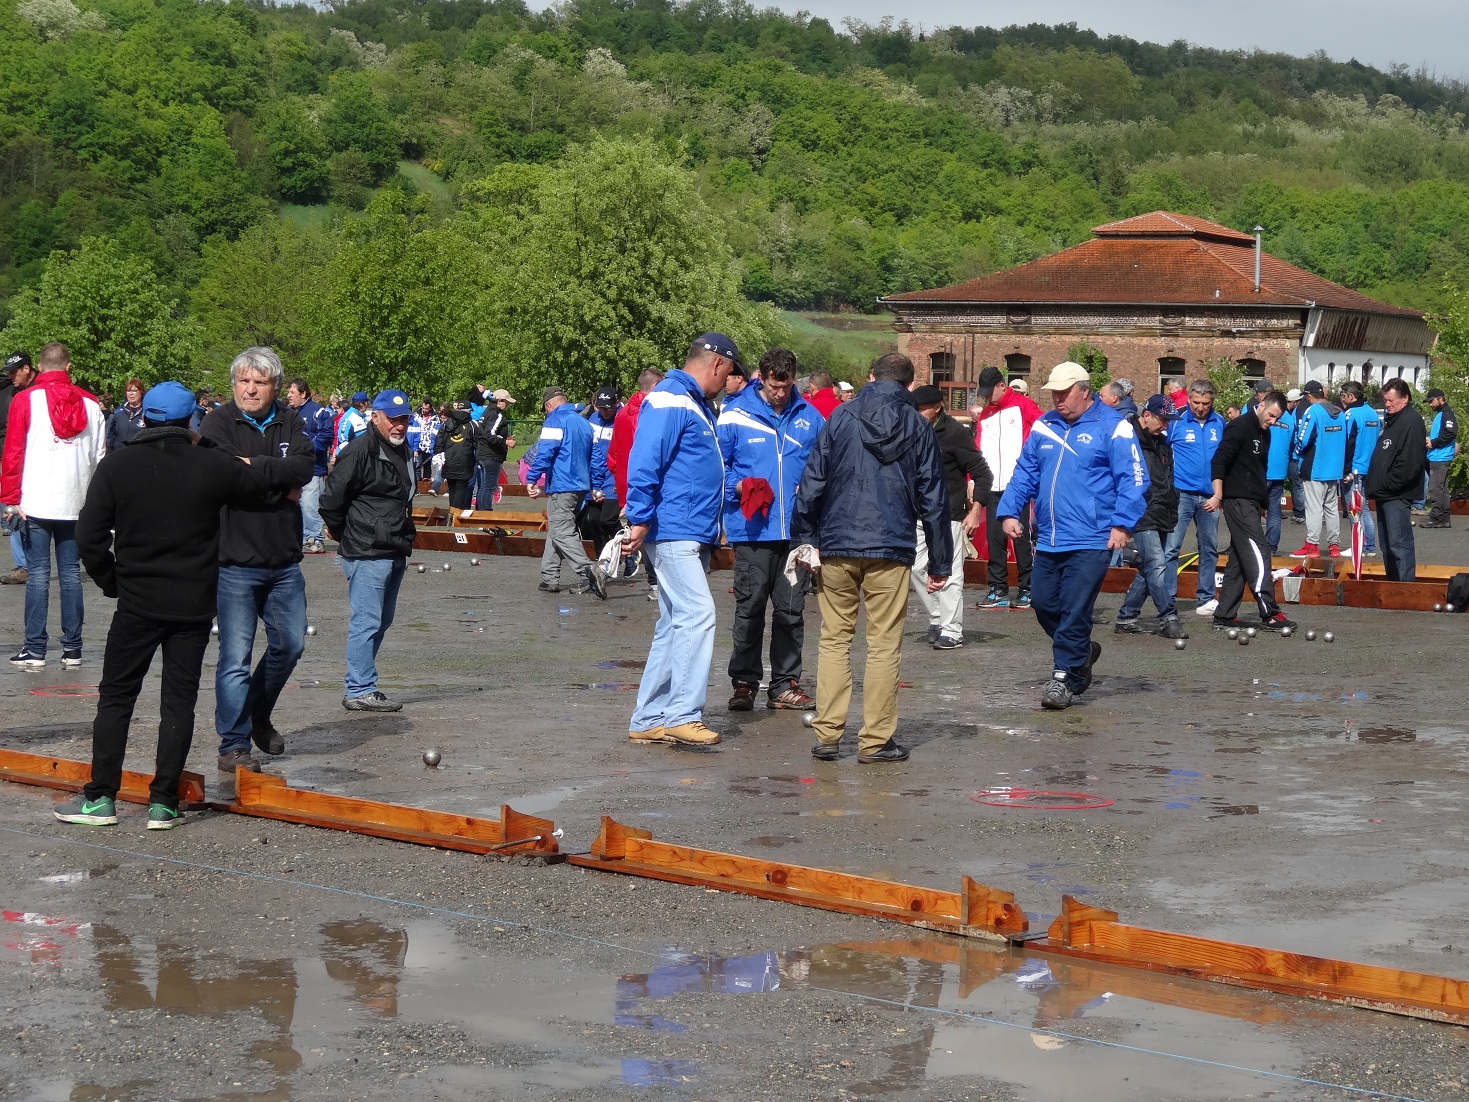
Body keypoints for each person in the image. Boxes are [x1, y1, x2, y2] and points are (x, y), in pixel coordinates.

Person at [57, 382, 269, 829]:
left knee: (116, 698)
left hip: (136, 601)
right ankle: (163, 803)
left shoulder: (117, 466)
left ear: (145, 418)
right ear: (189, 419)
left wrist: (110, 580)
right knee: (178, 702)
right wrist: (207, 443)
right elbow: (256, 485)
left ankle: (100, 799)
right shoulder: (211, 465)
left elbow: (89, 536)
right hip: (193, 605)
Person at [791, 353, 947, 762]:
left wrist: (804, 540)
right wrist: (941, 562)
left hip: (838, 541)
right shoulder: (918, 424)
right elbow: (934, 496)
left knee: (834, 639)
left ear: (870, 376)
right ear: (910, 385)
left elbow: (812, 481)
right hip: (891, 545)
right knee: (882, 646)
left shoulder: (840, 417)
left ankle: (827, 735)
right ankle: (876, 740)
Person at [996, 362, 1147, 711]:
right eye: (1054, 393)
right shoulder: (1044, 425)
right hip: (1049, 536)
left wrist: (1123, 524)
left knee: (1076, 609)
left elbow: (1134, 478)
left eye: (1064, 393)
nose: (1058, 399)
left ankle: (1065, 678)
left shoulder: (1113, 426)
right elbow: (1025, 473)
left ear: (1084, 389)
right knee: (1044, 604)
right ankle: (1081, 652)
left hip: (1093, 536)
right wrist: (1008, 511)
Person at [199, 347, 315, 773]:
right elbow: (223, 474)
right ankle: (233, 745)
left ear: (275, 387)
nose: (250, 389)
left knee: (291, 644)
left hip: (284, 559)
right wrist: (276, 479)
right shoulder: (217, 422)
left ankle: (255, 714)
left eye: (260, 382)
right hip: (235, 561)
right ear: (235, 384)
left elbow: (304, 468)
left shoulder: (292, 419)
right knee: (235, 657)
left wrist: (257, 470)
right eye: (244, 381)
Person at [624, 334, 744, 748]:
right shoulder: (673, 398)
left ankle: (648, 718)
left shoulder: (689, 401)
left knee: (675, 624)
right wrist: (639, 516)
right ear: (716, 365)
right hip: (675, 526)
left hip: (687, 526)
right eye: (729, 373)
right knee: (697, 614)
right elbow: (645, 457)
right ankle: (682, 715)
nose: (729, 381)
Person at [719, 348, 824, 710]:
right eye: (774, 385)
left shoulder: (811, 418)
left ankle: (784, 684)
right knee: (749, 608)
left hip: (796, 533)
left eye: (787, 385)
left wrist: (811, 488)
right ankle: (744, 682)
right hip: (752, 529)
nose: (780, 393)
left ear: (795, 379)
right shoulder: (733, 415)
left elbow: (824, 468)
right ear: (760, 378)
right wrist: (739, 486)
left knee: (791, 611)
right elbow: (717, 469)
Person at [1, 343, 106, 669]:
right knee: (71, 575)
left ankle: (34, 650)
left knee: (38, 576)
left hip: (36, 502)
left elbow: (13, 452)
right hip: (76, 502)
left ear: (41, 368)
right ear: (68, 366)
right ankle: (72, 650)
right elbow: (101, 459)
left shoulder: (25, 400)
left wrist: (8, 499)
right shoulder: (91, 404)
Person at [320, 389, 418, 712]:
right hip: (365, 549)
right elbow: (331, 499)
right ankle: (359, 687)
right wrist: (342, 531)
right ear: (375, 416)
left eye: (404, 419)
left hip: (394, 546)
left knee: (382, 619)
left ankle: (362, 682)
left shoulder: (404, 450)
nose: (399, 425)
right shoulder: (359, 451)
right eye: (393, 419)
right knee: (367, 620)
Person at [909, 385, 991, 649]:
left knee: (952, 573)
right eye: (915, 408)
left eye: (922, 409)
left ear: (938, 407)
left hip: (950, 512)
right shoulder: (910, 430)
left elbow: (981, 472)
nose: (918, 413)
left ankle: (952, 630)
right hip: (917, 511)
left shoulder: (955, 433)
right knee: (914, 566)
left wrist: (976, 511)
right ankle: (938, 617)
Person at [1208, 391, 1297, 632]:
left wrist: (1265, 503)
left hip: (1252, 502)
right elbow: (1219, 461)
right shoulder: (1239, 426)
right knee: (1259, 552)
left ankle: (1224, 613)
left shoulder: (1265, 433)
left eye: (1276, 418)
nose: (1272, 421)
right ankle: (1269, 612)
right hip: (1236, 500)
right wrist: (1218, 494)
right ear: (1260, 406)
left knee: (1240, 558)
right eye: (1270, 416)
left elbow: (1258, 469)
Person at [1114, 395, 1186, 639]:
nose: (1165, 425)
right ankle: (1168, 616)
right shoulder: (1128, 441)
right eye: (1162, 419)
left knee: (1150, 568)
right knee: (1156, 565)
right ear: (1147, 415)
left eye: (1168, 420)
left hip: (1164, 510)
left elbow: (1167, 478)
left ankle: (1127, 616)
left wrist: (1172, 502)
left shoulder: (1163, 444)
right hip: (1141, 511)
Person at [527, 386, 606, 598]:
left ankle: (588, 570)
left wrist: (532, 478)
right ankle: (550, 577)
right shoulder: (585, 423)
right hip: (581, 486)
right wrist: (596, 484)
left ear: (548, 405)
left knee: (562, 530)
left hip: (563, 484)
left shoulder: (554, 419)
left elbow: (546, 451)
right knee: (558, 528)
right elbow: (597, 458)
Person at [974, 365, 1042, 610]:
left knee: (1021, 538)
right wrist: (974, 480)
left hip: (1019, 485)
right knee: (994, 539)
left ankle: (1028, 587)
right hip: (993, 484)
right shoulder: (985, 414)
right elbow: (978, 447)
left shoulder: (1025, 406)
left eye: (989, 391)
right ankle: (998, 588)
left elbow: (1042, 435)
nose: (985, 396)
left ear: (1002, 386)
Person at [1165, 380, 1226, 616]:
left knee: (1209, 548)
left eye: (1205, 403)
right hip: (1181, 493)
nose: (1200, 407)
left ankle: (1205, 598)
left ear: (1212, 401)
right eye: (1196, 402)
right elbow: (1164, 453)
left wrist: (1220, 493)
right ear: (1189, 399)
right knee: (1172, 547)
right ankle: (1168, 597)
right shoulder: (1176, 420)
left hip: (1210, 496)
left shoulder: (1219, 422)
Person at [607, 368, 663, 599]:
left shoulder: (621, 415)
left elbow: (613, 456)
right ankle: (657, 581)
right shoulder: (655, 412)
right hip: (652, 481)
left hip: (628, 485)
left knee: (640, 531)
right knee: (654, 531)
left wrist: (622, 481)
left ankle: (652, 581)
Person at [1367, 379, 1428, 582]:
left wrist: (1388, 484)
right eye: (1385, 400)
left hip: (1397, 494)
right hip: (1385, 493)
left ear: (1405, 399)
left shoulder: (1412, 422)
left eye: (1391, 400)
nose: (1387, 404)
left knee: (1399, 544)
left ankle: (1405, 587)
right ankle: (1393, 585)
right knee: (1386, 545)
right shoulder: (1393, 421)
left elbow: (1410, 464)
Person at [1288, 380, 1347, 558]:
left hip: (1315, 467)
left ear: (1308, 395)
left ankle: (1312, 545)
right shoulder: (1339, 412)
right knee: (1331, 508)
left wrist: (1296, 454)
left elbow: (1304, 438)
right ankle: (1334, 545)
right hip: (1334, 468)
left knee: (1314, 508)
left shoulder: (1312, 411)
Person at [0, 351, 38, 586]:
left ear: (27, 368)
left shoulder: (40, 391)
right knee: (11, 509)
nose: (11, 376)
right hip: (12, 458)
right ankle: (24, 565)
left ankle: (34, 562)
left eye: (14, 371)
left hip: (36, 459)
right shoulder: (10, 392)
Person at [286, 377, 334, 555]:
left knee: (309, 504)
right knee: (294, 503)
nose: (289, 395)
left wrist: (307, 448)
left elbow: (327, 436)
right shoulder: (288, 413)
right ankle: (300, 538)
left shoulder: (318, 412)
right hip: (292, 467)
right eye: (288, 392)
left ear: (303, 393)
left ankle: (315, 539)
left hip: (313, 468)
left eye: (292, 392)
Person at [579, 386, 622, 554]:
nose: (604, 412)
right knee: (593, 520)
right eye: (601, 407)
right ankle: (602, 559)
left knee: (608, 520)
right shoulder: (593, 419)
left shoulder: (622, 419)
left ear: (617, 403)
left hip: (613, 475)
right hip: (595, 475)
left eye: (608, 408)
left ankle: (628, 549)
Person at [1338, 382, 1380, 556]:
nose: (1341, 397)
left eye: (1343, 394)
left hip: (1354, 468)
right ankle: (1369, 546)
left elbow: (1348, 443)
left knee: (1354, 508)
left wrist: (1345, 470)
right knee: (1365, 509)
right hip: (1369, 466)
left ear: (1350, 396)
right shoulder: (1373, 413)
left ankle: (1359, 546)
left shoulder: (1351, 414)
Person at [1264, 389, 1296, 555]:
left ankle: (1252, 544)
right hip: (1280, 469)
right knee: (1274, 510)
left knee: (1252, 508)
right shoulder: (1290, 419)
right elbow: (1293, 443)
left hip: (1263, 468)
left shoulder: (1264, 414)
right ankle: (1271, 546)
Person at [1422, 388, 1458, 529]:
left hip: (1440, 456)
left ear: (1440, 399)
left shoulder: (1446, 414)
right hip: (1439, 455)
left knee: (1435, 488)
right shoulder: (1442, 414)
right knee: (1442, 488)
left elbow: (1450, 433)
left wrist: (1433, 442)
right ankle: (1444, 518)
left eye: (1432, 401)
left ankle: (1436, 518)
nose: (1430, 404)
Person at [476, 389, 516, 511]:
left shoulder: (486, 411)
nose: (507, 405)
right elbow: (490, 435)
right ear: (499, 401)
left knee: (483, 486)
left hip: (482, 453)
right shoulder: (496, 415)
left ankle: (480, 510)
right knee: (489, 486)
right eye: (506, 402)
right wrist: (506, 441)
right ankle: (486, 511)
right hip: (491, 455)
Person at [434, 407, 478, 511]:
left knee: (452, 487)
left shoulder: (446, 424)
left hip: (448, 459)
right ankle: (455, 512)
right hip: (465, 459)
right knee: (461, 487)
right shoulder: (471, 425)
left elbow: (439, 440)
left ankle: (452, 511)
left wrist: (438, 453)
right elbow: (477, 443)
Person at [1284, 388, 1307, 523]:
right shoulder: (1302, 412)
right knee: (1301, 484)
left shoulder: (1293, 413)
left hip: (1294, 454)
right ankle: (1303, 512)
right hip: (1301, 454)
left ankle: (1299, 513)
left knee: (1297, 484)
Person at [105, 378, 145, 452]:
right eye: (128, 391)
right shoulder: (118, 412)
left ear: (141, 392)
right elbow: (111, 435)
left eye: (134, 391)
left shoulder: (146, 413)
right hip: (118, 455)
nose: (131, 393)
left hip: (138, 455)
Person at [408, 400, 440, 486]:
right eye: (423, 408)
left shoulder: (435, 417)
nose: (424, 410)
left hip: (429, 443)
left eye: (427, 408)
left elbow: (437, 430)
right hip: (418, 444)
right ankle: (417, 483)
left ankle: (426, 484)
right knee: (418, 464)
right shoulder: (415, 415)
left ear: (430, 407)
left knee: (427, 464)